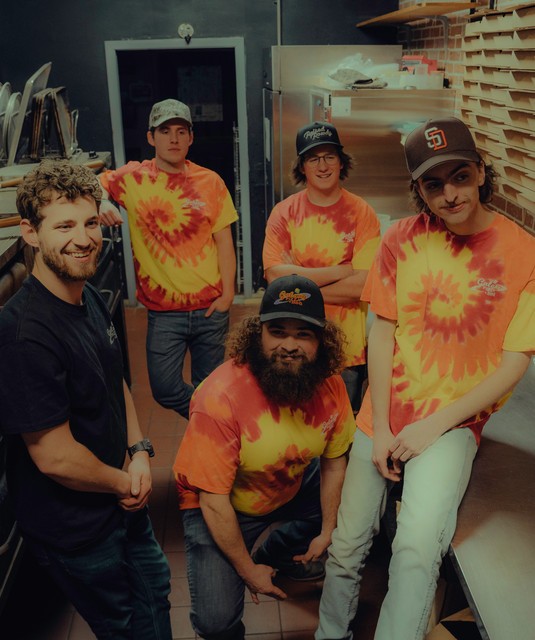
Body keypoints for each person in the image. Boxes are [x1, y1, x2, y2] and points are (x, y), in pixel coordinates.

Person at [316, 117, 535, 640]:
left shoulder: (523, 251)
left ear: (481, 171)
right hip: (383, 413)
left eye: (460, 176)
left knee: (416, 548)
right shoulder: (400, 239)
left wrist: (431, 427)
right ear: (418, 190)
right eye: (433, 185)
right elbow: (382, 333)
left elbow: (513, 364)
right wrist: (382, 428)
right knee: (347, 544)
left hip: (453, 423)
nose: (449, 194)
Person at [0, 160, 172, 640]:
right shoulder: (24, 335)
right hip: (77, 528)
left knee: (155, 592)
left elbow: (114, 377)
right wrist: (124, 483)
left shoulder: (86, 295)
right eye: (64, 226)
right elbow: (54, 457)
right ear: (31, 233)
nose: (84, 238)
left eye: (90, 222)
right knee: (124, 626)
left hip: (120, 497)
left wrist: (138, 451)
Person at [173, 274, 355, 639]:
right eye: (278, 331)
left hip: (288, 481)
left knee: (357, 501)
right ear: (259, 334)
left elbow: (334, 462)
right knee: (216, 622)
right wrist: (248, 571)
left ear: (321, 340)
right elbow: (213, 500)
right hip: (221, 502)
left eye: (303, 334)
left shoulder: (331, 384)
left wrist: (328, 530)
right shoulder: (220, 397)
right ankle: (253, 562)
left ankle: (276, 551)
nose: (289, 345)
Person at [98, 98, 238, 419]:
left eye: (181, 131)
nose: (173, 139)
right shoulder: (133, 178)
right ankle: (215, 423)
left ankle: (209, 438)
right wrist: (101, 201)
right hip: (164, 314)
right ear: (151, 137)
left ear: (191, 138)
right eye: (165, 131)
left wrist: (228, 296)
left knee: (210, 388)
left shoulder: (210, 181)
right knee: (165, 389)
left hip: (210, 309)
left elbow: (224, 243)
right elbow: (95, 182)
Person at [262, 121, 381, 412]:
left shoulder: (361, 212)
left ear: (341, 162)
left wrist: (297, 282)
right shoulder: (284, 213)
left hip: (346, 349)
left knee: (343, 428)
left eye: (330, 156)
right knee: (296, 426)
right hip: (295, 344)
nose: (323, 166)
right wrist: (341, 271)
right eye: (313, 159)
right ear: (302, 166)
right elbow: (275, 277)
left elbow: (364, 284)